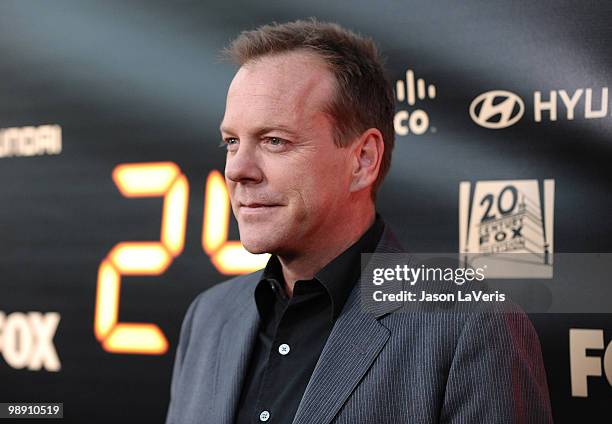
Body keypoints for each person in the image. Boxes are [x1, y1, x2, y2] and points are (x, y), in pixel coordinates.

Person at [165, 19, 552, 424]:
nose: (238, 170)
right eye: (231, 142)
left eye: (274, 140)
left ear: (363, 160)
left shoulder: (469, 328)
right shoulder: (208, 317)